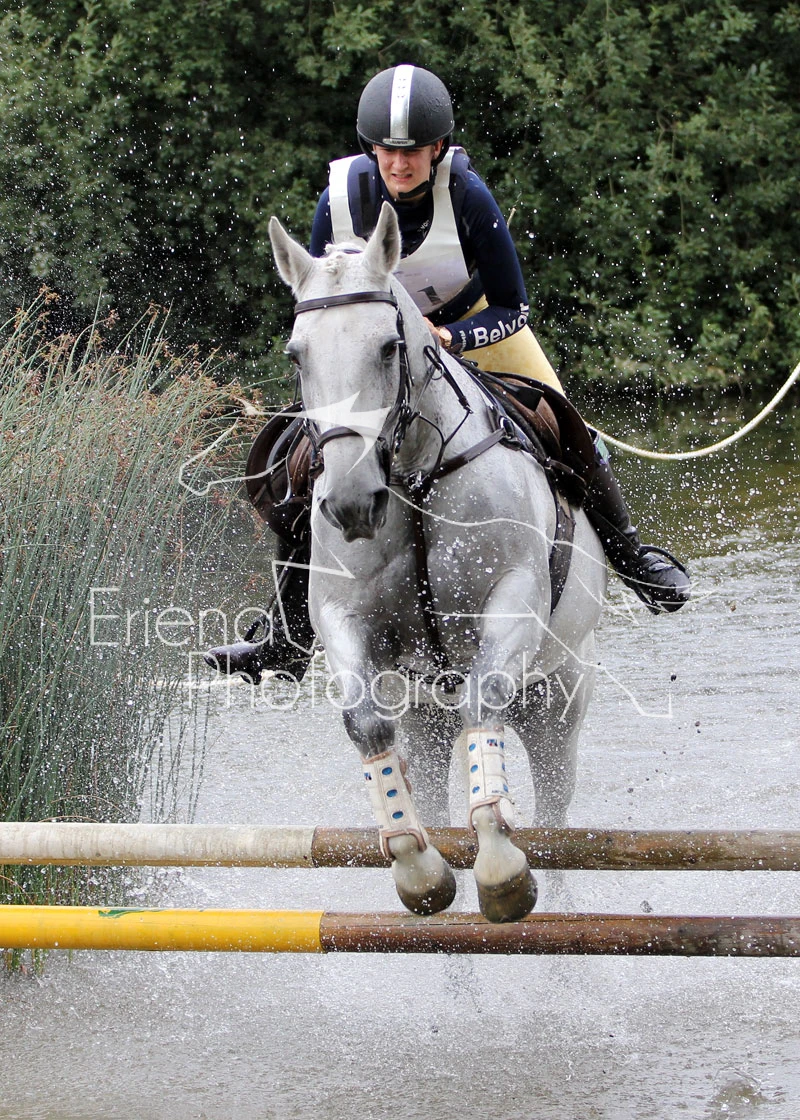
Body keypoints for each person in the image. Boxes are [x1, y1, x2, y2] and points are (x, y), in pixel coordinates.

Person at [207, 65, 689, 682]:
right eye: (387, 150)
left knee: (566, 424)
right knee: (301, 457)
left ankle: (630, 555)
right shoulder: (338, 201)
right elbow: (322, 298)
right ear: (370, 148)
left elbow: (514, 306)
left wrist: (451, 337)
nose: (398, 164)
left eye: (412, 151)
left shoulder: (468, 197)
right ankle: (287, 630)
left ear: (437, 148)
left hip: (477, 332)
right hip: (376, 356)